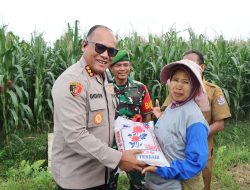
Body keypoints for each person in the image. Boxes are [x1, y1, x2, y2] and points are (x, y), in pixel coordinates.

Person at [51, 25, 146, 190]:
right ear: (84, 45)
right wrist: (118, 159)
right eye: (100, 47)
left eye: (111, 51)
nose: (105, 55)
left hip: (103, 174)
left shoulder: (105, 77)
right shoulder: (72, 82)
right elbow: (75, 135)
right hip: (79, 180)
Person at [160, 50, 232, 190]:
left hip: (201, 147)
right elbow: (168, 112)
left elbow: (220, 123)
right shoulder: (177, 90)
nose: (179, 85)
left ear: (202, 67)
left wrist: (192, 136)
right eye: (175, 79)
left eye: (191, 64)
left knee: (200, 180)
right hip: (175, 154)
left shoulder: (213, 90)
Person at [143, 59, 209, 190]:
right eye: (175, 79)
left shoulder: (195, 119)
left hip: (175, 185)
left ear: (195, 86)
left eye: (186, 82)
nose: (178, 86)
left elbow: (195, 162)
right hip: (157, 183)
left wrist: (162, 170)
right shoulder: (173, 107)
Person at [108, 50, 153, 190]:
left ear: (130, 66)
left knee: (139, 183)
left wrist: (146, 140)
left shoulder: (140, 88)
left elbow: (147, 114)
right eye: (118, 65)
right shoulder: (104, 87)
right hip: (109, 143)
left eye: (126, 65)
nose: (122, 69)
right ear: (111, 68)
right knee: (107, 183)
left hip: (133, 143)